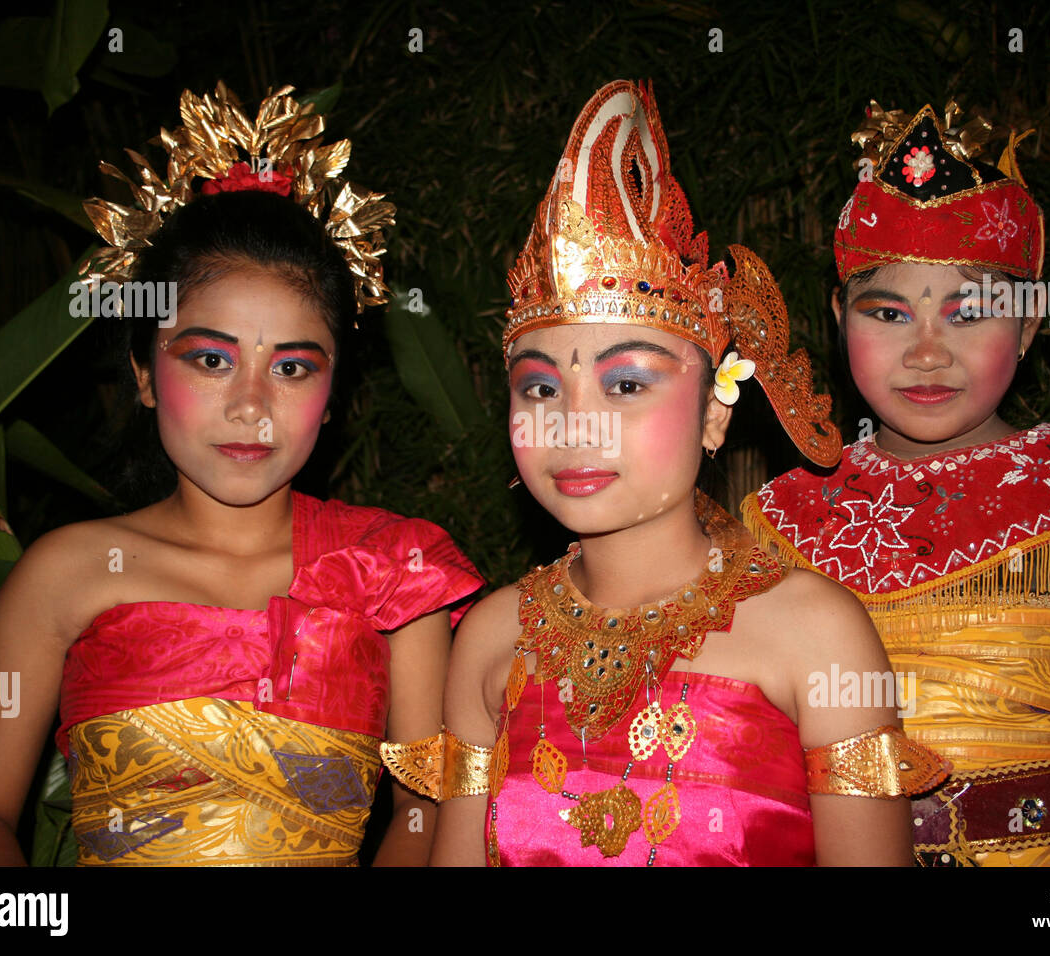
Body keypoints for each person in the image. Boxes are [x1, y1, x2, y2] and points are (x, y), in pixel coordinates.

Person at [380, 80, 949, 867]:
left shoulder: (818, 637)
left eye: (626, 384)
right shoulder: (489, 638)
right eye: (541, 387)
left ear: (717, 412)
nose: (574, 426)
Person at [0, 82, 482, 866]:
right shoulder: (64, 573)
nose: (251, 404)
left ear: (331, 399)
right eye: (211, 359)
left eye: (292, 368)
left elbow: (425, 821)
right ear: (145, 373)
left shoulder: (395, 573)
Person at [741, 101, 1050, 865]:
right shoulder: (773, 523)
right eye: (890, 314)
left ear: (1029, 326)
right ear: (838, 317)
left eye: (971, 316)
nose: (928, 354)